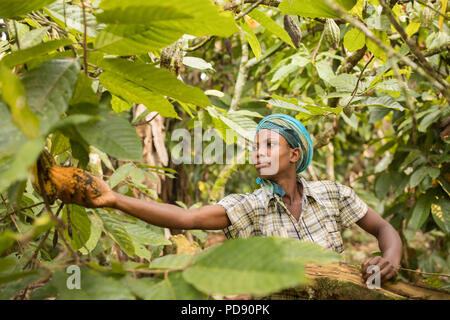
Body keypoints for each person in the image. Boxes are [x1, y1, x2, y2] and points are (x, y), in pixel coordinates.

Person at [56, 113, 402, 293]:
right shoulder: (250, 207)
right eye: (255, 146)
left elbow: (384, 228)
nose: (257, 153)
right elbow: (188, 218)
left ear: (294, 154)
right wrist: (113, 198)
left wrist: (389, 261)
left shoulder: (333, 194)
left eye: (269, 145)